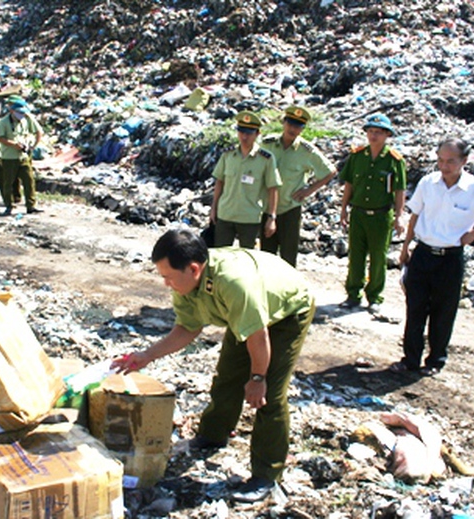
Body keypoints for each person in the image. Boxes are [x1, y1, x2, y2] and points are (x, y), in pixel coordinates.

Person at [112, 229, 315, 503]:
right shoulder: (186, 284)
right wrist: (147, 355)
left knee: (268, 396)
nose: (166, 284)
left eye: (168, 276)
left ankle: (266, 475)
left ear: (193, 269)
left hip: (288, 310)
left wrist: (257, 377)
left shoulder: (234, 284)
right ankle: (212, 435)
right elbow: (186, 328)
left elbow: (258, 336)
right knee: (227, 378)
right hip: (248, 314)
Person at [392, 138, 474, 376]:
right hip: (423, 253)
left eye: (450, 161)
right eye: (440, 160)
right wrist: (406, 247)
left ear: (464, 161)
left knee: (443, 311)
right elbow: (415, 214)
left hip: (450, 258)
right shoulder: (429, 183)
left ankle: (435, 361)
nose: (444, 166)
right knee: (415, 308)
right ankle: (410, 360)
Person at [339, 113, 407, 314]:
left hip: (381, 215)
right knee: (356, 255)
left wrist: (399, 216)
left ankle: (375, 296)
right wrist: (343, 209)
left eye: (378, 132)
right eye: (370, 131)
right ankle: (353, 295)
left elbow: (400, 190)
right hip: (358, 213)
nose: (373, 136)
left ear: (387, 135)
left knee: (378, 257)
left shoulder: (394, 160)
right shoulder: (357, 156)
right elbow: (349, 184)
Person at [260, 106, 336, 266]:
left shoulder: (306, 151)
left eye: (298, 126)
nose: (293, 129)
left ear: (302, 129)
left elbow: (330, 171)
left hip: (290, 208)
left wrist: (309, 190)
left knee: (288, 256)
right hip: (266, 207)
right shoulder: (268, 144)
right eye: (290, 124)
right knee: (266, 256)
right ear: (284, 123)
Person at [210, 111, 281, 249]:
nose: (244, 136)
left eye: (249, 133)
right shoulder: (228, 155)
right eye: (241, 132)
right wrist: (214, 208)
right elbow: (219, 181)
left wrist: (272, 218)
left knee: (247, 257)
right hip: (226, 214)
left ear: (257, 134)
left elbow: (273, 188)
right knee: (221, 255)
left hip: (249, 217)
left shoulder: (265, 158)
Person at [0, 100, 44, 215]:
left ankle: (31, 205)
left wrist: (31, 145)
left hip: (23, 156)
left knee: (29, 180)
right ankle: (9, 205)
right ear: (12, 111)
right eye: (19, 112)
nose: (21, 115)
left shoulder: (25, 120)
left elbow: (35, 132)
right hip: (9, 157)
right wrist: (13, 144)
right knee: (8, 182)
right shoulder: (4, 122)